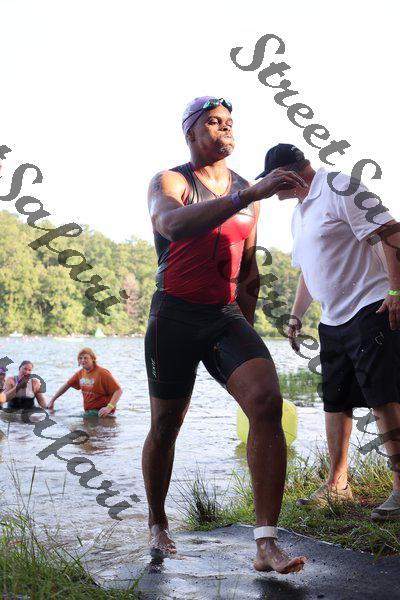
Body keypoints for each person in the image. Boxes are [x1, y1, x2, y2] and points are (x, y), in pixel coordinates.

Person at [143, 96, 308, 574]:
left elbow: (249, 269)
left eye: (230, 123)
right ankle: (157, 522)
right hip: (173, 316)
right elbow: (171, 224)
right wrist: (245, 197)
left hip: (224, 316)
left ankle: (265, 544)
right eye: (214, 123)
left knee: (266, 400)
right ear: (191, 134)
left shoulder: (246, 191)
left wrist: (245, 334)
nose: (225, 129)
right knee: (166, 425)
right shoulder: (172, 181)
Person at [257, 143, 400, 521]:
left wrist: (396, 291)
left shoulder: (340, 186)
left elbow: (390, 232)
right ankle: (338, 484)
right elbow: (310, 270)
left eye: (271, 181)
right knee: (335, 402)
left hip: (371, 307)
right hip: (333, 320)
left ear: (287, 175)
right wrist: (295, 314)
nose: (269, 190)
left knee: (383, 397)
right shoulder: (300, 212)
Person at [47, 347, 122, 417]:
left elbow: (118, 390)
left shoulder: (102, 373)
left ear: (93, 359)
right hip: (89, 412)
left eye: (85, 358)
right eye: (80, 358)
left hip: (104, 414)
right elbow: (66, 386)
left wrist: (109, 407)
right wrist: (52, 400)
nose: (82, 360)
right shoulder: (80, 373)